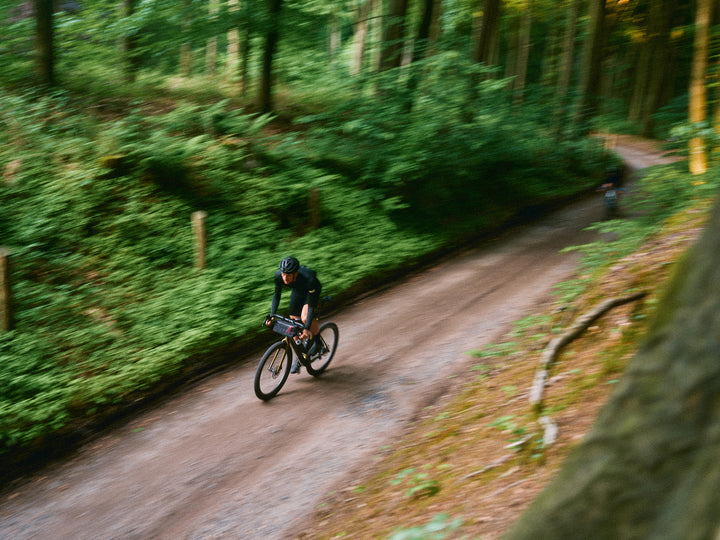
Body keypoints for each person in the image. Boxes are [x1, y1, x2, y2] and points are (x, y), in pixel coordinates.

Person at [266, 256, 322, 373]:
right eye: (283, 274)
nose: (285, 278)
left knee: (305, 318)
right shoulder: (279, 276)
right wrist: (272, 315)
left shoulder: (308, 278)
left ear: (295, 274)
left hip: (311, 290)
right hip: (298, 290)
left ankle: (318, 343)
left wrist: (306, 329)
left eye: (288, 275)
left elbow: (311, 306)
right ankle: (301, 355)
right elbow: (277, 295)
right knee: (293, 321)